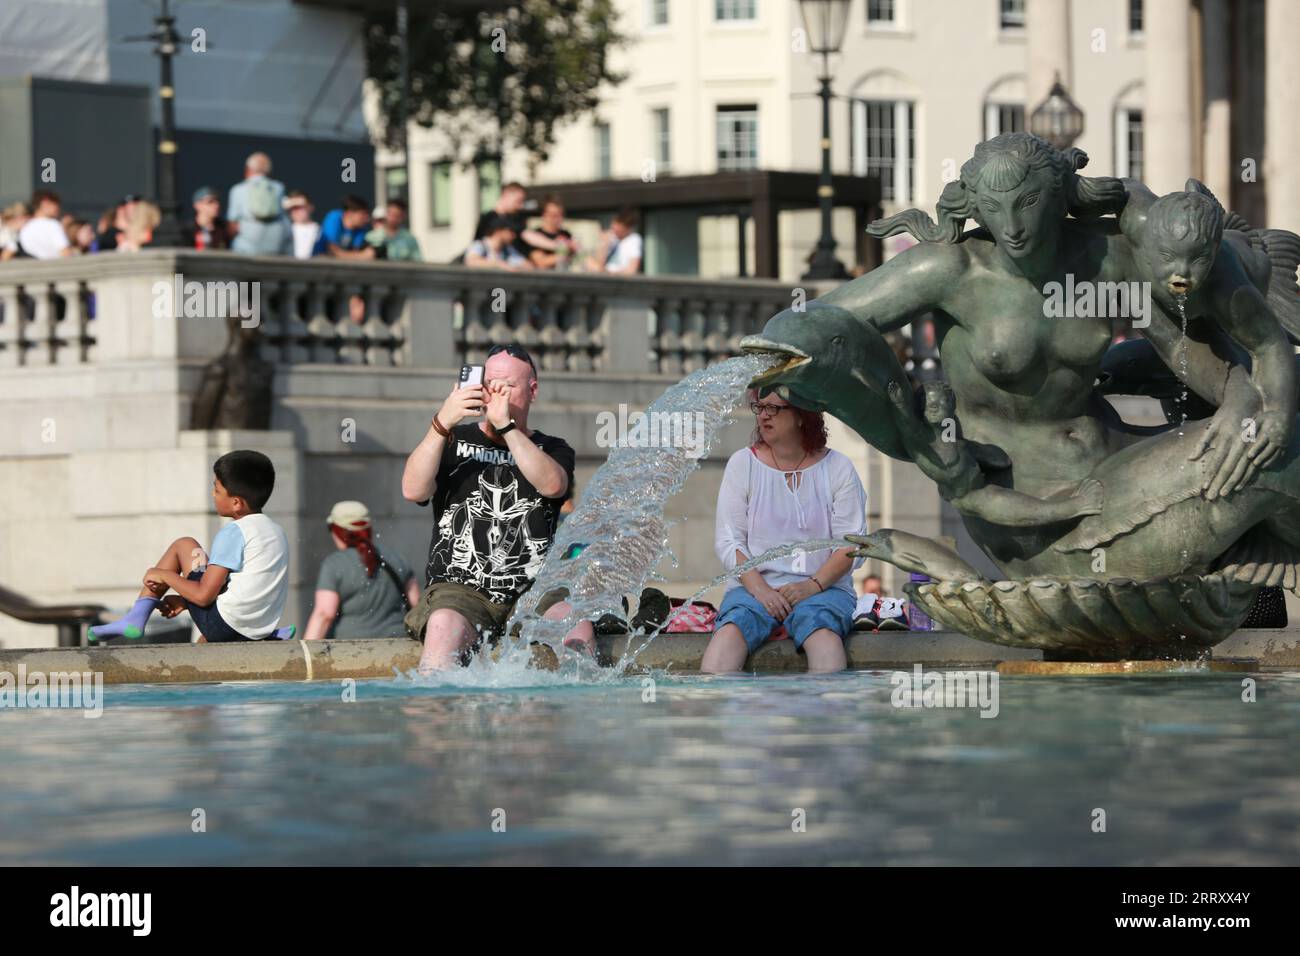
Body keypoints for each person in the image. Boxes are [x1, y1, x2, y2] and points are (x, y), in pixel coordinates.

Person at [400, 343, 591, 671]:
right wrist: (441, 423)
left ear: (532, 391)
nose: (496, 394)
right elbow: (412, 489)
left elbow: (553, 485)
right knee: (443, 625)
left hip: (533, 590)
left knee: (576, 626)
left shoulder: (553, 448)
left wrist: (507, 428)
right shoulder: (451, 439)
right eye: (490, 385)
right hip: (461, 591)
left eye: (508, 387)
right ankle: (433, 714)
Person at [702, 390, 867, 674]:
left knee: (823, 637)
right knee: (727, 639)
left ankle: (828, 715)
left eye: (774, 408)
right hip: (752, 589)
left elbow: (851, 545)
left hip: (823, 589)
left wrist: (811, 587)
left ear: (802, 415)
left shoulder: (838, 467)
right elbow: (729, 542)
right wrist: (762, 591)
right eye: (759, 407)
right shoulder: (743, 464)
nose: (763, 415)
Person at [88, 450, 294, 643]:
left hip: (225, 626)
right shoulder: (276, 531)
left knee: (184, 545)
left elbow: (204, 596)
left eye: (217, 489)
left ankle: (136, 617)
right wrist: (185, 602)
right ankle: (267, 636)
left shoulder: (235, 532)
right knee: (203, 649)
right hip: (257, 628)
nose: (213, 495)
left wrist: (163, 575)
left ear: (237, 503)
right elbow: (242, 587)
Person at [302, 501, 419, 641]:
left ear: (337, 530)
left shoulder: (334, 564)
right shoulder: (397, 558)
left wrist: (304, 655)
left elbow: (324, 614)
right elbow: (417, 606)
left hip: (350, 652)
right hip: (396, 647)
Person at [227, 151, 291, 255]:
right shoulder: (278, 188)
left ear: (248, 169)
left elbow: (232, 225)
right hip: (274, 247)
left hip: (246, 249)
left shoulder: (238, 189)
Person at [524, 194, 579, 270]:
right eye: (553, 215)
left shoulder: (566, 234)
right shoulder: (536, 236)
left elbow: (583, 258)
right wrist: (567, 252)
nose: (558, 219)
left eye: (561, 214)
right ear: (544, 215)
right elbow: (541, 262)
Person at [314, 195, 374, 259]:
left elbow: (355, 252)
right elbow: (332, 251)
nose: (367, 219)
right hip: (317, 262)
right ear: (349, 213)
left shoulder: (360, 229)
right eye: (363, 214)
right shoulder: (334, 217)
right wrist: (362, 256)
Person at [18, 190, 73, 259]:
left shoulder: (25, 227)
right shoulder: (53, 224)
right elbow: (65, 252)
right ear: (45, 203)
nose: (58, 208)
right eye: (56, 203)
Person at [586, 207, 642, 274]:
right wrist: (604, 244)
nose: (614, 228)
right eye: (614, 224)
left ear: (627, 228)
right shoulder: (612, 239)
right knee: (587, 260)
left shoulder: (634, 239)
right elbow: (598, 264)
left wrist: (606, 272)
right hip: (604, 275)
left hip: (616, 279)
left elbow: (632, 270)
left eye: (619, 226)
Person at [464, 213, 531, 269]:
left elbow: (526, 265)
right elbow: (471, 261)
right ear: (499, 231)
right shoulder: (480, 245)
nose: (514, 236)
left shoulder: (507, 250)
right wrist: (498, 265)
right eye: (511, 231)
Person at [182, 186, 231, 250]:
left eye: (217, 201)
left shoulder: (223, 229)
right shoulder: (187, 230)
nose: (216, 205)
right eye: (210, 202)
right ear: (197, 205)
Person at [284, 191, 320, 260]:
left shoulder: (321, 231)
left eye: (300, 207)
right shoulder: (285, 231)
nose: (295, 211)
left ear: (310, 207)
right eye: (292, 208)